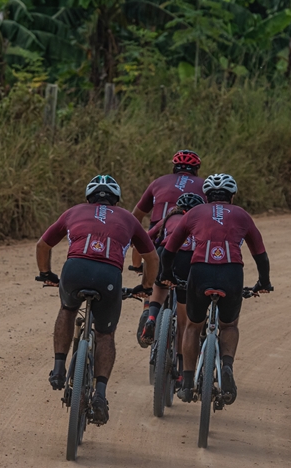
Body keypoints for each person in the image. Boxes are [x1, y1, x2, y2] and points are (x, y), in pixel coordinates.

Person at [35, 175, 159, 425]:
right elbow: (152, 258)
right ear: (116, 200)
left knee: (67, 310)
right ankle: (100, 394)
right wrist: (146, 287)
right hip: (108, 275)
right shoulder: (128, 218)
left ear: (89, 198)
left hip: (75, 270)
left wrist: (46, 273)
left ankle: (58, 369)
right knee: (104, 334)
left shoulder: (73, 211)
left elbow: (42, 245)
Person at [159, 173, 273, 404]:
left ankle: (187, 383)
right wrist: (264, 281)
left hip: (200, 271)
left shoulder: (194, 213)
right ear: (232, 196)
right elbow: (260, 253)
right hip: (231, 272)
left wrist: (167, 275)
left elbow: (169, 250)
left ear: (206, 196)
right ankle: (227, 366)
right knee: (229, 325)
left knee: (193, 326)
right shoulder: (241, 214)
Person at [131, 150, 205, 347]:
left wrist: (134, 248)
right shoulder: (203, 185)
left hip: (161, 232)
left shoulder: (158, 182)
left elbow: (136, 215)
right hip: (189, 240)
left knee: (154, 274)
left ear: (174, 167)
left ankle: (149, 310)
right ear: (196, 169)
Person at [137, 192, 205, 386]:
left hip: (164, 255)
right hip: (187, 261)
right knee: (184, 324)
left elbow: (146, 238)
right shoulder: (201, 221)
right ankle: (182, 369)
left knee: (160, 285)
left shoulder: (169, 218)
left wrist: (140, 265)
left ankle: (151, 317)